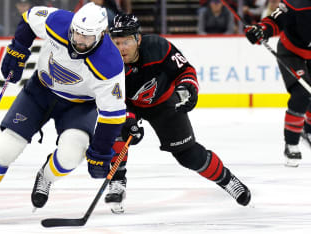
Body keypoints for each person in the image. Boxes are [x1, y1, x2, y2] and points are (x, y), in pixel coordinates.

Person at [0, 2, 126, 219]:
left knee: (69, 157)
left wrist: (101, 152)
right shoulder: (59, 22)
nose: (79, 41)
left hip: (80, 106)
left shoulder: (110, 64)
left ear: (102, 34)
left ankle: (45, 177)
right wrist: (18, 49)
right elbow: (29, 18)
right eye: (76, 34)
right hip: (39, 92)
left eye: (87, 37)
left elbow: (113, 115)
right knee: (6, 147)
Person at [105, 14, 251, 214]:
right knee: (116, 131)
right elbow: (108, 98)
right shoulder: (105, 60)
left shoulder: (158, 47)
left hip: (163, 103)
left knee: (188, 155)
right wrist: (129, 120)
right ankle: (117, 182)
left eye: (127, 41)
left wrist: (187, 89)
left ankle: (227, 180)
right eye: (116, 42)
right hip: (126, 104)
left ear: (138, 39)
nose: (121, 48)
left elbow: (185, 71)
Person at [245, 0, 311, 167]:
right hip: (292, 52)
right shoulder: (299, 2)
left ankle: (308, 130)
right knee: (302, 93)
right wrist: (262, 30)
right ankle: (291, 144)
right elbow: (276, 19)